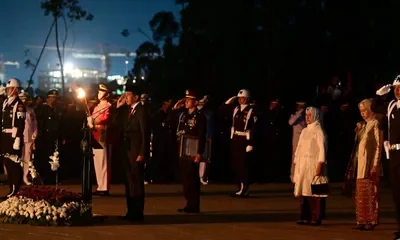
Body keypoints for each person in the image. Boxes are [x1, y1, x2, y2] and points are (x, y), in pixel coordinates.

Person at [115, 85, 150, 221]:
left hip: (136, 152)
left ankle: (138, 212)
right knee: (129, 182)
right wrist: (118, 107)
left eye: (128, 95)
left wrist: (142, 152)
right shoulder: (127, 110)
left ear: (135, 97)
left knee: (137, 182)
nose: (126, 98)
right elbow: (116, 123)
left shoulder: (141, 111)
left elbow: (144, 133)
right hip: (127, 151)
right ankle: (130, 211)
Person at [350, 99, 382, 230]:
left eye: (364, 111)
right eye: (361, 111)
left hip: (370, 164)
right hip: (360, 164)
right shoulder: (362, 126)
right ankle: (361, 220)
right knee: (361, 193)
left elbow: (378, 146)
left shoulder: (375, 124)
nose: (362, 114)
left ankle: (371, 220)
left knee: (370, 193)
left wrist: (375, 164)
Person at [293, 107, 327, 225]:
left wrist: (320, 164)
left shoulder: (318, 131)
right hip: (303, 165)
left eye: (309, 115)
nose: (307, 118)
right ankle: (304, 216)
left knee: (314, 191)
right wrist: (296, 161)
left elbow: (322, 149)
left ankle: (316, 217)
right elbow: (299, 147)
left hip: (313, 164)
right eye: (306, 115)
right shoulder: (305, 131)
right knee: (304, 190)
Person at [173, 89, 206, 213]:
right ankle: (189, 203)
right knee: (185, 178)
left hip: (193, 150)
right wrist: (176, 108)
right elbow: (173, 123)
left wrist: (199, 152)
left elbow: (202, 134)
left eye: (189, 100)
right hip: (183, 149)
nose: (186, 102)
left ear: (195, 102)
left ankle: (194, 205)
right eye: (185, 100)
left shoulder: (199, 116)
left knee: (192, 178)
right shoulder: (183, 115)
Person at [376, 78, 400, 239]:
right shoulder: (391, 105)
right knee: (397, 194)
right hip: (394, 155)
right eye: (396, 88)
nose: (397, 91)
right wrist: (380, 95)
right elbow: (375, 107)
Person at [225, 89, 257, 197]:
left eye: (242, 98)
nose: (240, 100)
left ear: (247, 99)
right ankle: (239, 187)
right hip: (235, 140)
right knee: (236, 165)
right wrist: (232, 99)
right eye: (239, 98)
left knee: (243, 165)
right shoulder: (236, 109)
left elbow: (253, 128)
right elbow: (223, 108)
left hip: (244, 140)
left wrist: (250, 143)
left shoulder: (251, 111)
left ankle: (244, 188)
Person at [0, 78, 26, 198]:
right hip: (5, 137)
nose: (8, 90)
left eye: (10, 89)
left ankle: (16, 189)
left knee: (14, 165)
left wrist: (18, 138)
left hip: (13, 137)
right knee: (7, 164)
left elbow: (20, 123)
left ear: (15, 90)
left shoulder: (19, 105)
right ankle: (11, 189)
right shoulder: (6, 102)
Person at [87, 84, 112, 196]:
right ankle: (100, 185)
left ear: (106, 94)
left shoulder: (107, 105)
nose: (98, 94)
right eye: (98, 92)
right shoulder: (97, 106)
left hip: (102, 135)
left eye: (101, 92)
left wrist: (94, 121)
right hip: (95, 134)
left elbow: (105, 118)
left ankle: (104, 187)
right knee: (97, 161)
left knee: (103, 161)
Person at [19, 92, 38, 186]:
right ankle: (18, 176)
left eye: (25, 99)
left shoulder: (31, 110)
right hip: (19, 137)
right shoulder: (17, 110)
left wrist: (34, 135)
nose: (24, 101)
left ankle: (25, 176)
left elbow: (35, 124)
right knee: (18, 158)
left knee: (27, 158)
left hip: (29, 137)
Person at [288, 102, 306, 182]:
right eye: (300, 106)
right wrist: (299, 113)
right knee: (295, 157)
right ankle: (293, 176)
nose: (301, 108)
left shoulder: (305, 116)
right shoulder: (294, 115)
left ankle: (302, 176)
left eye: (303, 107)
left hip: (305, 139)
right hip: (296, 139)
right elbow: (290, 122)